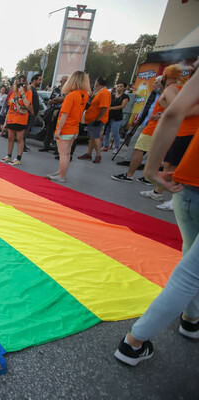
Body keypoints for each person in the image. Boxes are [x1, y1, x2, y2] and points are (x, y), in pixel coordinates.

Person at [113, 62, 199, 366]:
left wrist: (152, 168)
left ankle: (191, 319)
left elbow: (174, 112)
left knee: (190, 258)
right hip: (188, 182)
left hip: (189, 182)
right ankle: (134, 342)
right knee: (192, 270)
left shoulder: (180, 87)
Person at [111, 66, 181, 184]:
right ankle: (148, 178)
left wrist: (162, 115)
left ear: (165, 77)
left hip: (154, 126)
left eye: (157, 82)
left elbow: (176, 108)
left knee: (139, 149)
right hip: (157, 126)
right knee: (153, 153)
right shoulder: (173, 89)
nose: (154, 84)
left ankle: (129, 175)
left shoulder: (170, 89)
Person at [45, 71, 91, 182]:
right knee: (67, 153)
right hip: (75, 127)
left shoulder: (71, 95)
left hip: (66, 128)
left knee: (63, 154)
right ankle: (61, 172)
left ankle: (62, 176)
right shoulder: (84, 95)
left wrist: (58, 130)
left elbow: (65, 114)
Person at [117, 77, 163, 167]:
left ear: (162, 84)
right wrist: (140, 117)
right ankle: (128, 159)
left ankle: (143, 163)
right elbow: (146, 106)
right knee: (134, 139)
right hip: (145, 121)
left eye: (156, 83)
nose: (153, 84)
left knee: (150, 145)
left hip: (156, 123)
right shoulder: (153, 94)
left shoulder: (166, 95)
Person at [78, 76, 111, 163]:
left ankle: (98, 155)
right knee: (92, 137)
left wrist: (98, 119)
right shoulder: (99, 92)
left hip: (97, 119)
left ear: (98, 82)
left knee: (96, 137)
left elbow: (104, 107)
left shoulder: (104, 93)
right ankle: (89, 154)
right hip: (93, 118)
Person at [2, 79, 34, 166]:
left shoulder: (28, 92)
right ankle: (9, 155)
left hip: (21, 118)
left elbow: (28, 104)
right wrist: (5, 121)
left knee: (20, 139)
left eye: (23, 82)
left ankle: (18, 158)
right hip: (11, 118)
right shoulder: (13, 93)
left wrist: (22, 93)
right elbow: (9, 108)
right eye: (18, 82)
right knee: (10, 138)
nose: (20, 84)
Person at [39, 75, 68, 152]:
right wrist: (59, 100)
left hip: (62, 113)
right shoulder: (56, 90)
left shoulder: (69, 91)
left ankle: (57, 149)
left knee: (60, 131)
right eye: (64, 80)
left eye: (67, 80)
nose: (66, 82)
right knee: (49, 129)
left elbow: (66, 101)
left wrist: (59, 99)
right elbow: (50, 101)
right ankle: (46, 146)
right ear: (61, 81)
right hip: (53, 111)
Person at [102, 82, 129, 152]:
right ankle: (105, 145)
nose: (119, 88)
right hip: (109, 115)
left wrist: (111, 108)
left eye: (121, 86)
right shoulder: (113, 96)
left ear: (124, 88)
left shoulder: (125, 97)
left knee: (115, 132)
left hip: (117, 117)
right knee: (106, 131)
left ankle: (116, 147)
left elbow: (122, 106)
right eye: (118, 86)